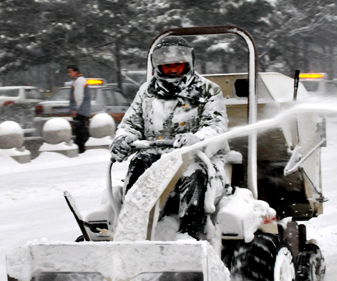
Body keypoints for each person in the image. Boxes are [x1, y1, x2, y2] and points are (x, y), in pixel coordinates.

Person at [110, 36, 228, 240]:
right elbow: (131, 123)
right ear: (158, 67)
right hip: (155, 153)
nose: (172, 70)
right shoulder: (147, 92)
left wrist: (197, 139)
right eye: (167, 67)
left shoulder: (208, 90)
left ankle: (191, 234)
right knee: (138, 164)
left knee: (192, 171)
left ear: (188, 64)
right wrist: (124, 139)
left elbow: (216, 125)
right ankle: (132, 231)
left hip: (197, 157)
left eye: (177, 65)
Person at [68, 65, 91, 154]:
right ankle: (82, 149)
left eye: (70, 72)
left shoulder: (79, 82)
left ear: (76, 72)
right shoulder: (79, 81)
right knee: (82, 132)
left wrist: (75, 109)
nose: (69, 74)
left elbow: (78, 97)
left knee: (80, 133)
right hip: (83, 112)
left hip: (81, 112)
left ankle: (81, 150)